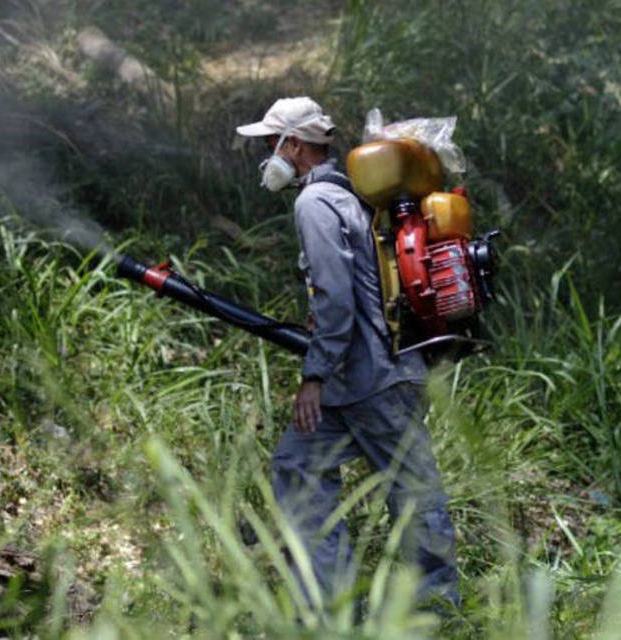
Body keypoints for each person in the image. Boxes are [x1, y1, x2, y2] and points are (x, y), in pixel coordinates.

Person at [235, 97, 459, 610]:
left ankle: (439, 609)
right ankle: (333, 607)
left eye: (272, 144)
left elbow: (335, 299)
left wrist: (313, 374)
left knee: (413, 493)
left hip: (372, 378)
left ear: (295, 145)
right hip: (360, 380)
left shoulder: (314, 203)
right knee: (298, 466)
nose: (268, 154)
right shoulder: (351, 194)